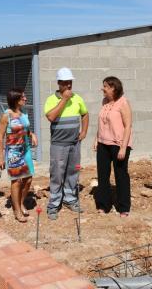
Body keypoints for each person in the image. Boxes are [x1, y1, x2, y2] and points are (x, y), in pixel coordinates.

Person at [44, 67, 89, 220]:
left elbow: (84, 114)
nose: (69, 86)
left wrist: (83, 132)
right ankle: (54, 205)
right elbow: (51, 117)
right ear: (59, 83)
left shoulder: (78, 98)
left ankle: (70, 200)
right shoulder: (51, 99)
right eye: (65, 83)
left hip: (74, 144)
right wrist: (64, 99)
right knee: (57, 173)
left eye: (70, 82)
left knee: (73, 172)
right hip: (58, 144)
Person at [93, 76, 133, 217]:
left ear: (113, 88)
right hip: (103, 143)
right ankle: (104, 205)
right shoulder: (104, 101)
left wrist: (123, 147)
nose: (102, 89)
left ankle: (124, 207)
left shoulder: (123, 103)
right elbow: (102, 122)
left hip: (119, 145)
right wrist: (96, 139)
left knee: (121, 175)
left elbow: (128, 126)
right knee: (102, 175)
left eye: (105, 86)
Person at [0, 88, 37, 222]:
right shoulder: (6, 115)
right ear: (15, 99)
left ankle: (20, 202)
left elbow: (26, 128)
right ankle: (17, 210)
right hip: (13, 151)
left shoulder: (24, 112)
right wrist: (1, 156)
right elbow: (0, 136)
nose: (25, 99)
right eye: (23, 97)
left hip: (25, 149)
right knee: (16, 181)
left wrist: (32, 134)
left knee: (28, 179)